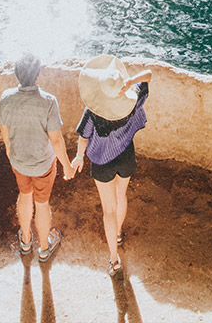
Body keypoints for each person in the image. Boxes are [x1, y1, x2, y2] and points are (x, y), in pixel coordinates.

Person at [69, 54, 152, 276]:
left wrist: (78, 157)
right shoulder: (133, 98)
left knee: (109, 210)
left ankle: (114, 260)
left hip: (101, 162)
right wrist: (128, 83)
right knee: (121, 195)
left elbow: (84, 137)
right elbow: (149, 75)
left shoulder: (93, 112)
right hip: (125, 156)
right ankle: (118, 233)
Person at [0, 55, 75, 263]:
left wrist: (8, 149)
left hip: (19, 161)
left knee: (24, 195)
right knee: (41, 204)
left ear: (16, 74)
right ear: (38, 74)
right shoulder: (48, 101)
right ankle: (43, 248)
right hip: (43, 164)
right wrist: (67, 166)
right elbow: (56, 140)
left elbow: (4, 129)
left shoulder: (6, 98)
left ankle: (25, 241)